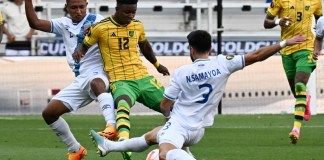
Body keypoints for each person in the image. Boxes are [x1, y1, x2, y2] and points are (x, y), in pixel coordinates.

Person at [88, 30, 308, 160]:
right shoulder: (224, 64)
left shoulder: (183, 72)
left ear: (191, 49)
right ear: (210, 48)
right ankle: (110, 147)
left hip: (181, 125)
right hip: (199, 129)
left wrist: (169, 119)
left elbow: (165, 104)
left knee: (163, 152)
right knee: (152, 136)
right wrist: (283, 43)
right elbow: (258, 55)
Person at [72, 0, 170, 159]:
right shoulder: (101, 28)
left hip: (143, 77)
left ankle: (178, 147)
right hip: (120, 80)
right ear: (117, 9)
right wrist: (79, 51)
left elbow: (145, 46)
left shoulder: (137, 25)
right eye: (127, 12)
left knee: (173, 109)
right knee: (123, 104)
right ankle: (124, 142)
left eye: (133, 12)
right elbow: (85, 44)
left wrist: (157, 65)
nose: (131, 16)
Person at [25, 0, 118, 159]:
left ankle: (111, 126)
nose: (79, 11)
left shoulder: (97, 20)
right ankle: (75, 149)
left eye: (82, 7)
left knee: (96, 83)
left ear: (86, 5)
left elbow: (113, 36)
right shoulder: (63, 23)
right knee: (49, 113)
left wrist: (97, 31)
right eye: (74, 7)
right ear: (67, 7)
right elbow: (35, 22)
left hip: (99, 72)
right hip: (80, 79)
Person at [264, 0, 322, 144]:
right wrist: (278, 21)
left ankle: (296, 129)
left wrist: (317, 48)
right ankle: (305, 98)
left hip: (306, 48)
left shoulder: (316, 1)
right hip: (287, 50)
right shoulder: (279, 1)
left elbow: (320, 23)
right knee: (297, 93)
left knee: (299, 85)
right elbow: (266, 22)